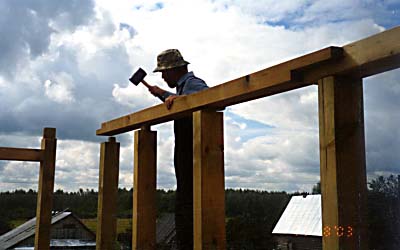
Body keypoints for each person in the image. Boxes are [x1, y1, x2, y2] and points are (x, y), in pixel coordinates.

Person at [148, 49, 208, 249]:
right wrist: (164, 95)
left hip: (196, 154)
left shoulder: (193, 84)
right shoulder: (182, 88)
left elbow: (209, 99)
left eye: (164, 73)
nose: (163, 77)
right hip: (186, 155)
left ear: (176, 69)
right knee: (183, 204)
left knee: (189, 205)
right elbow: (181, 103)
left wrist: (176, 99)